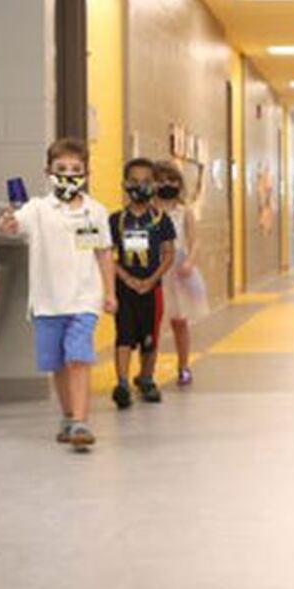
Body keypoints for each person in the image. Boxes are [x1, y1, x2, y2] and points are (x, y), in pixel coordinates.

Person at [0, 137, 117, 451]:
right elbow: (14, 225)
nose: (68, 175)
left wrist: (109, 293)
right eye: (61, 168)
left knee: (78, 357)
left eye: (76, 169)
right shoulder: (37, 209)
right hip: (47, 302)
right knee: (58, 364)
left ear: (87, 173)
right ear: (48, 172)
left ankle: (80, 421)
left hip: (84, 299)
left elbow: (104, 253)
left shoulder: (96, 212)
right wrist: (9, 222)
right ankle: (68, 416)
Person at [109, 158, 177, 409]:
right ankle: (123, 383)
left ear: (155, 185)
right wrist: (127, 278)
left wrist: (151, 280)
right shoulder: (116, 220)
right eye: (134, 182)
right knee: (124, 335)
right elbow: (108, 255)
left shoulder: (161, 220)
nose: (140, 187)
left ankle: (146, 378)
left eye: (147, 182)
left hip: (152, 288)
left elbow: (169, 253)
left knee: (150, 338)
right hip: (124, 289)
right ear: (125, 184)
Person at [154, 161, 209, 386]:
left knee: (180, 321)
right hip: (155, 268)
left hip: (178, 268)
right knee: (152, 322)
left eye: (172, 180)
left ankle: (183, 365)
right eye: (162, 180)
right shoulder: (149, 210)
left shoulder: (184, 211)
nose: (167, 184)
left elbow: (194, 241)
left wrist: (190, 262)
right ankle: (149, 369)